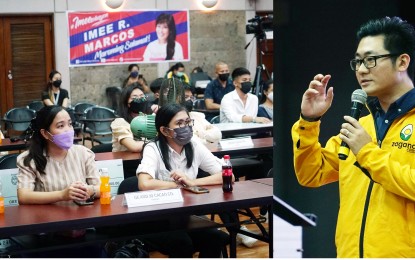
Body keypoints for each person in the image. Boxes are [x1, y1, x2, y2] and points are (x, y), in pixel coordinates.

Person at [291, 16, 415, 258]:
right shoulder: (362, 123)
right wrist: (309, 121)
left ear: (401, 62)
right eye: (357, 61)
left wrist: (367, 153)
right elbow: (311, 174)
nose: (361, 69)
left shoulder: (363, 138)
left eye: (371, 60)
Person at [136, 104, 230, 257]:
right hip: (159, 218)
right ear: (165, 130)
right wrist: (178, 185)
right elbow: (144, 183)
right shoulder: (153, 148)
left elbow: (227, 175)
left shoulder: (194, 144)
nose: (185, 127)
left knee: (217, 238)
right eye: (179, 124)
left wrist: (193, 182)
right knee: (182, 244)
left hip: (186, 215)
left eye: (187, 122)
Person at [16, 105, 101, 257]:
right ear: (45, 133)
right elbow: (23, 196)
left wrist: (91, 190)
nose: (68, 130)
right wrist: (62, 195)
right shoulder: (29, 159)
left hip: (84, 229)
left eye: (70, 124)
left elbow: (101, 187)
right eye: (60, 126)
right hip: (48, 235)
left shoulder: (83, 153)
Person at [111, 84, 158, 152]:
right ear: (127, 103)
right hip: (127, 160)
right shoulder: (120, 122)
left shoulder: (149, 117)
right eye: (134, 98)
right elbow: (134, 147)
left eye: (142, 96)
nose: (140, 100)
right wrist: (158, 143)